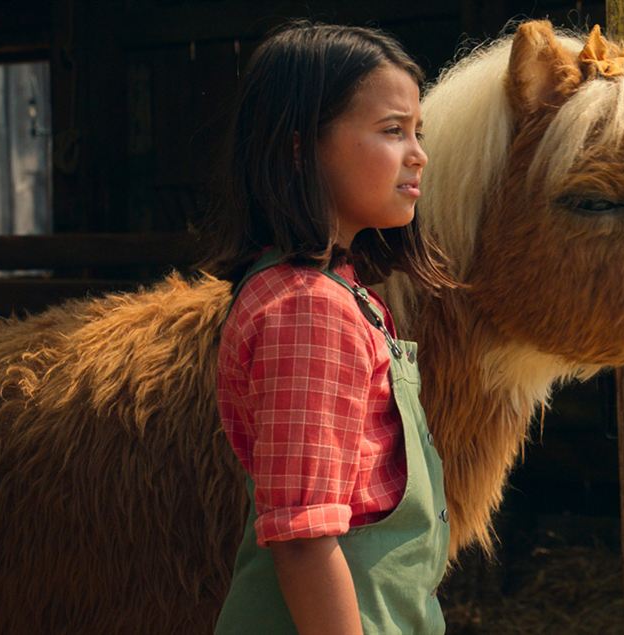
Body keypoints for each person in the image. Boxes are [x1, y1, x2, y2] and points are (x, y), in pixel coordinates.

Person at [202, 21, 459, 635]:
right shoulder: (306, 310)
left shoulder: (344, 293)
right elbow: (303, 539)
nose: (418, 153)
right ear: (300, 148)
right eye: (392, 131)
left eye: (418, 132)